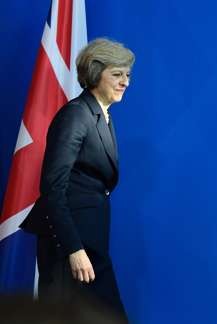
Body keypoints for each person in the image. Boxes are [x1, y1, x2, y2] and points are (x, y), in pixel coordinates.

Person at [21, 38, 134, 321]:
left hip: (92, 243)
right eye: (117, 74)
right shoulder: (76, 115)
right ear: (96, 73)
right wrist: (73, 248)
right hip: (69, 246)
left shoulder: (102, 115)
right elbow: (53, 187)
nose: (125, 82)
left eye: (128, 75)